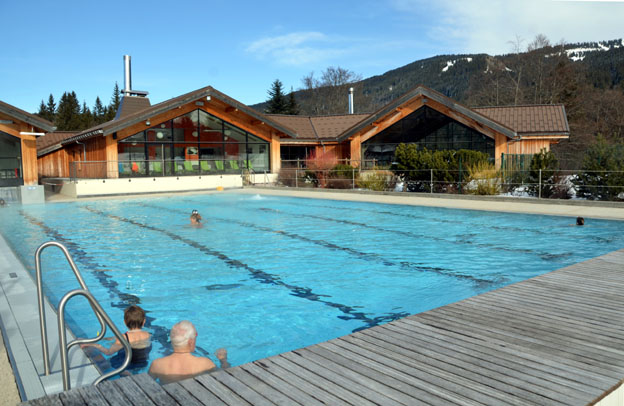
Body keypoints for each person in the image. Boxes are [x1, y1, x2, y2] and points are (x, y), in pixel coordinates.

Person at [148, 320, 229, 384]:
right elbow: (226, 378)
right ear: (190, 341)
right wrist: (223, 360)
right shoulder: (205, 363)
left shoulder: (157, 364)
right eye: (196, 335)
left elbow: (146, 385)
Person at [82, 305, 152, 372]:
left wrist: (96, 345)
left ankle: (123, 372)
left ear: (125, 322)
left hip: (124, 366)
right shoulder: (148, 334)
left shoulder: (123, 337)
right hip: (142, 364)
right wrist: (108, 338)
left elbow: (108, 352)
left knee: (100, 361)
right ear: (144, 321)